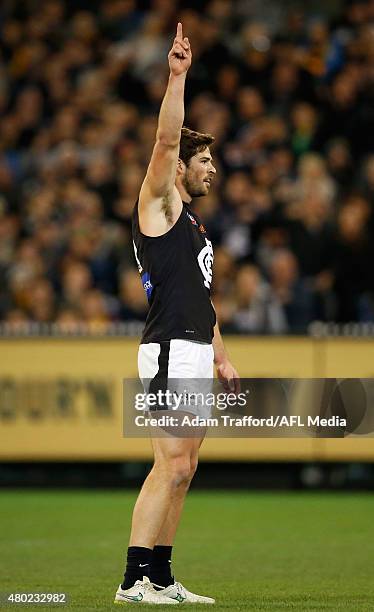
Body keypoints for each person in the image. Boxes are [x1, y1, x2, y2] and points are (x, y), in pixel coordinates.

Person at [114, 23, 239, 605]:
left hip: (191, 345)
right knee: (169, 462)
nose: (212, 169)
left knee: (185, 467)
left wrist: (219, 351)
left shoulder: (191, 225)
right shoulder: (160, 204)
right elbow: (165, 144)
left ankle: (162, 576)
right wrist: (177, 77)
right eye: (205, 160)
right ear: (183, 167)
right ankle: (133, 579)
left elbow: (203, 297)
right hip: (167, 347)